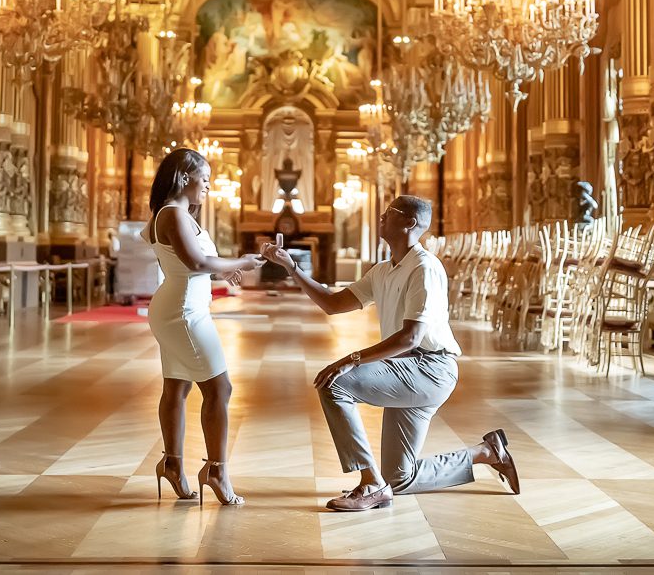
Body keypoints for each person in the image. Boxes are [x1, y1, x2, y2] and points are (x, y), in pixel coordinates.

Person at [261, 194, 520, 512]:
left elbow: (411, 337)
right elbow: (332, 303)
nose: (381, 216)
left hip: (430, 368)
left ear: (410, 223)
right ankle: (487, 453)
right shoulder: (383, 270)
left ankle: (370, 483)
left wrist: (351, 359)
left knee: (334, 383)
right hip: (408, 369)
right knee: (400, 478)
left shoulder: (424, 269)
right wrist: (291, 268)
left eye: (390, 213)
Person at [145, 148, 266, 506]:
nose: (209, 188)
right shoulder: (173, 215)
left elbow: (188, 263)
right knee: (220, 389)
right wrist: (242, 259)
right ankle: (216, 470)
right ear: (184, 177)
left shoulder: (171, 215)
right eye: (205, 180)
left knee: (177, 388)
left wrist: (224, 271)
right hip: (183, 313)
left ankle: (172, 464)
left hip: (179, 305)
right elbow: (195, 260)